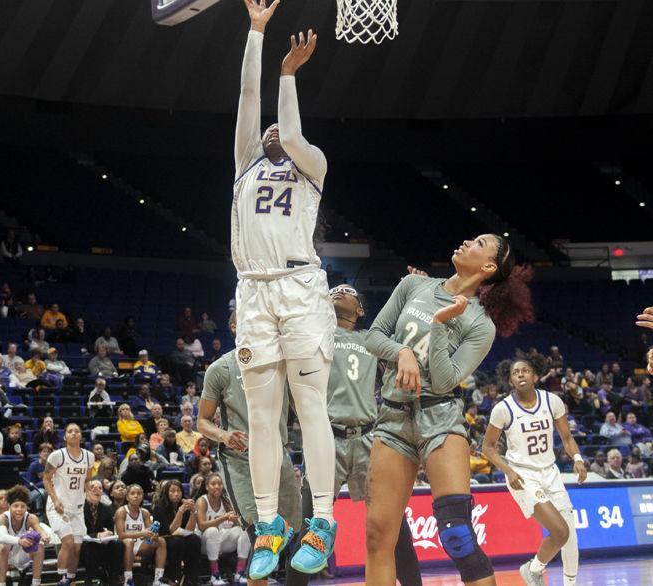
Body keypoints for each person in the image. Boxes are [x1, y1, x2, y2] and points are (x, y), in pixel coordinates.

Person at [233, 0, 337, 579]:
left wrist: (288, 78)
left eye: (278, 127)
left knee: (309, 404)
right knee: (261, 414)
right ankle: (270, 523)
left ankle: (322, 519)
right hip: (252, 291)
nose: (270, 129)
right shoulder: (246, 160)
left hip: (300, 290)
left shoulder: (311, 165)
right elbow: (248, 101)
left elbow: (293, 134)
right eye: (267, 127)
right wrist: (256, 33)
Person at [364, 240, 534, 586]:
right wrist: (402, 353)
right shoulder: (413, 285)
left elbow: (443, 382)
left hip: (440, 418)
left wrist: (440, 325)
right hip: (393, 418)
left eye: (480, 243)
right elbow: (373, 336)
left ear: (488, 267)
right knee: (378, 536)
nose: (468, 241)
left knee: (458, 536)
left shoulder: (480, 324)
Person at [294, 284, 422, 585]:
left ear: (361, 309)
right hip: (327, 438)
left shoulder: (370, 340)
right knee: (308, 526)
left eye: (347, 290)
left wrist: (414, 293)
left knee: (394, 524)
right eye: (334, 290)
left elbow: (408, 334)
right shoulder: (316, 336)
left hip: (367, 438)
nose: (338, 292)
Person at [198, 310, 302, 585]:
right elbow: (202, 422)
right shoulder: (220, 369)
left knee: (297, 536)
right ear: (233, 327)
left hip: (279, 456)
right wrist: (223, 435)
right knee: (262, 537)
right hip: (241, 460)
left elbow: (300, 405)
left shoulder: (279, 363)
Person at [483, 358, 586, 586]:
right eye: (516, 373)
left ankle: (561, 580)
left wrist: (577, 458)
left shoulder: (552, 401)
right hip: (523, 475)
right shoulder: (503, 409)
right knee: (560, 531)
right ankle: (533, 569)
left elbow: (567, 438)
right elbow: (487, 448)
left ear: (535, 376)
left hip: (550, 472)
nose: (520, 375)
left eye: (525, 371)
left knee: (571, 537)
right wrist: (508, 471)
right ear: (510, 379)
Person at [43, 423, 94, 586]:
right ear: (65, 436)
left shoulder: (89, 456)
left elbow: (87, 479)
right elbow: (46, 479)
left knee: (77, 548)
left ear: (81, 435)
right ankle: (61, 579)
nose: (74, 433)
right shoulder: (57, 455)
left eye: (77, 431)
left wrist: (89, 492)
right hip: (58, 506)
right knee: (68, 542)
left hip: (77, 507)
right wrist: (55, 499)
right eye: (70, 431)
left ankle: (70, 580)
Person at [0, 484, 50, 586]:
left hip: (17, 552)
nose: (19, 509)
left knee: (39, 546)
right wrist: (19, 541)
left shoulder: (31, 518)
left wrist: (45, 536)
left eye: (22, 506)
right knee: (3, 547)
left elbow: (40, 530)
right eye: (15, 506)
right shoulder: (2, 518)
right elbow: (2, 537)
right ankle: (1, 584)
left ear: (26, 507)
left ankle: (36, 583)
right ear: (9, 506)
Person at [196, 473, 251, 586]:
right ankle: (215, 575)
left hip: (220, 541)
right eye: (213, 484)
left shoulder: (225, 500)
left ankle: (240, 573)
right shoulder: (202, 501)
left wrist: (235, 520)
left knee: (244, 531)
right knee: (212, 531)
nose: (217, 486)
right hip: (203, 543)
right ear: (207, 487)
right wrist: (223, 518)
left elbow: (238, 522)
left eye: (220, 484)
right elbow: (201, 526)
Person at [114, 483, 168, 586]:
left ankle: (158, 580)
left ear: (142, 496)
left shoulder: (145, 513)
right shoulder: (121, 511)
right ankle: (128, 580)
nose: (136, 496)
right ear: (127, 497)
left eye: (139, 493)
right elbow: (121, 535)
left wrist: (154, 536)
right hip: (123, 545)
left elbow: (150, 532)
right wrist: (141, 533)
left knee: (161, 541)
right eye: (132, 493)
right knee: (129, 542)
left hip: (139, 545)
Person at [151, 479, 201, 586]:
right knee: (177, 541)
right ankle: (173, 577)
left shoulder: (185, 506)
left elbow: (189, 530)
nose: (176, 494)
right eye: (172, 491)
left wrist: (193, 512)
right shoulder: (159, 507)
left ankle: (190, 577)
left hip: (180, 538)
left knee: (195, 539)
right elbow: (170, 531)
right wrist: (180, 511)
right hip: (163, 540)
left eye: (179, 491)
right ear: (166, 493)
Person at [81, 480, 125, 583]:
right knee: (91, 548)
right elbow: (78, 533)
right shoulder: (79, 508)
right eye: (93, 487)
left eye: (100, 488)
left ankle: (114, 577)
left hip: (102, 543)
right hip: (84, 544)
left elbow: (110, 529)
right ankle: (90, 580)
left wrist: (109, 533)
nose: (97, 489)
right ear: (86, 491)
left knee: (119, 544)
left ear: (102, 493)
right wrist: (96, 535)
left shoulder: (106, 509)